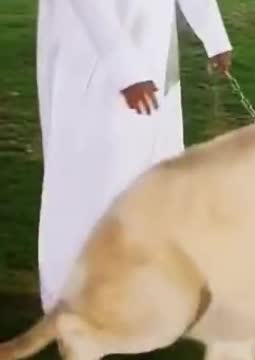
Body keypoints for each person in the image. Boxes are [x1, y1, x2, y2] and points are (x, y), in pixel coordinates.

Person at [35, 0, 233, 312]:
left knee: (154, 170)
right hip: (91, 58)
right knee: (92, 179)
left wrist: (214, 35)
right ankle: (76, 298)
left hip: (153, 52)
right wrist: (124, 67)